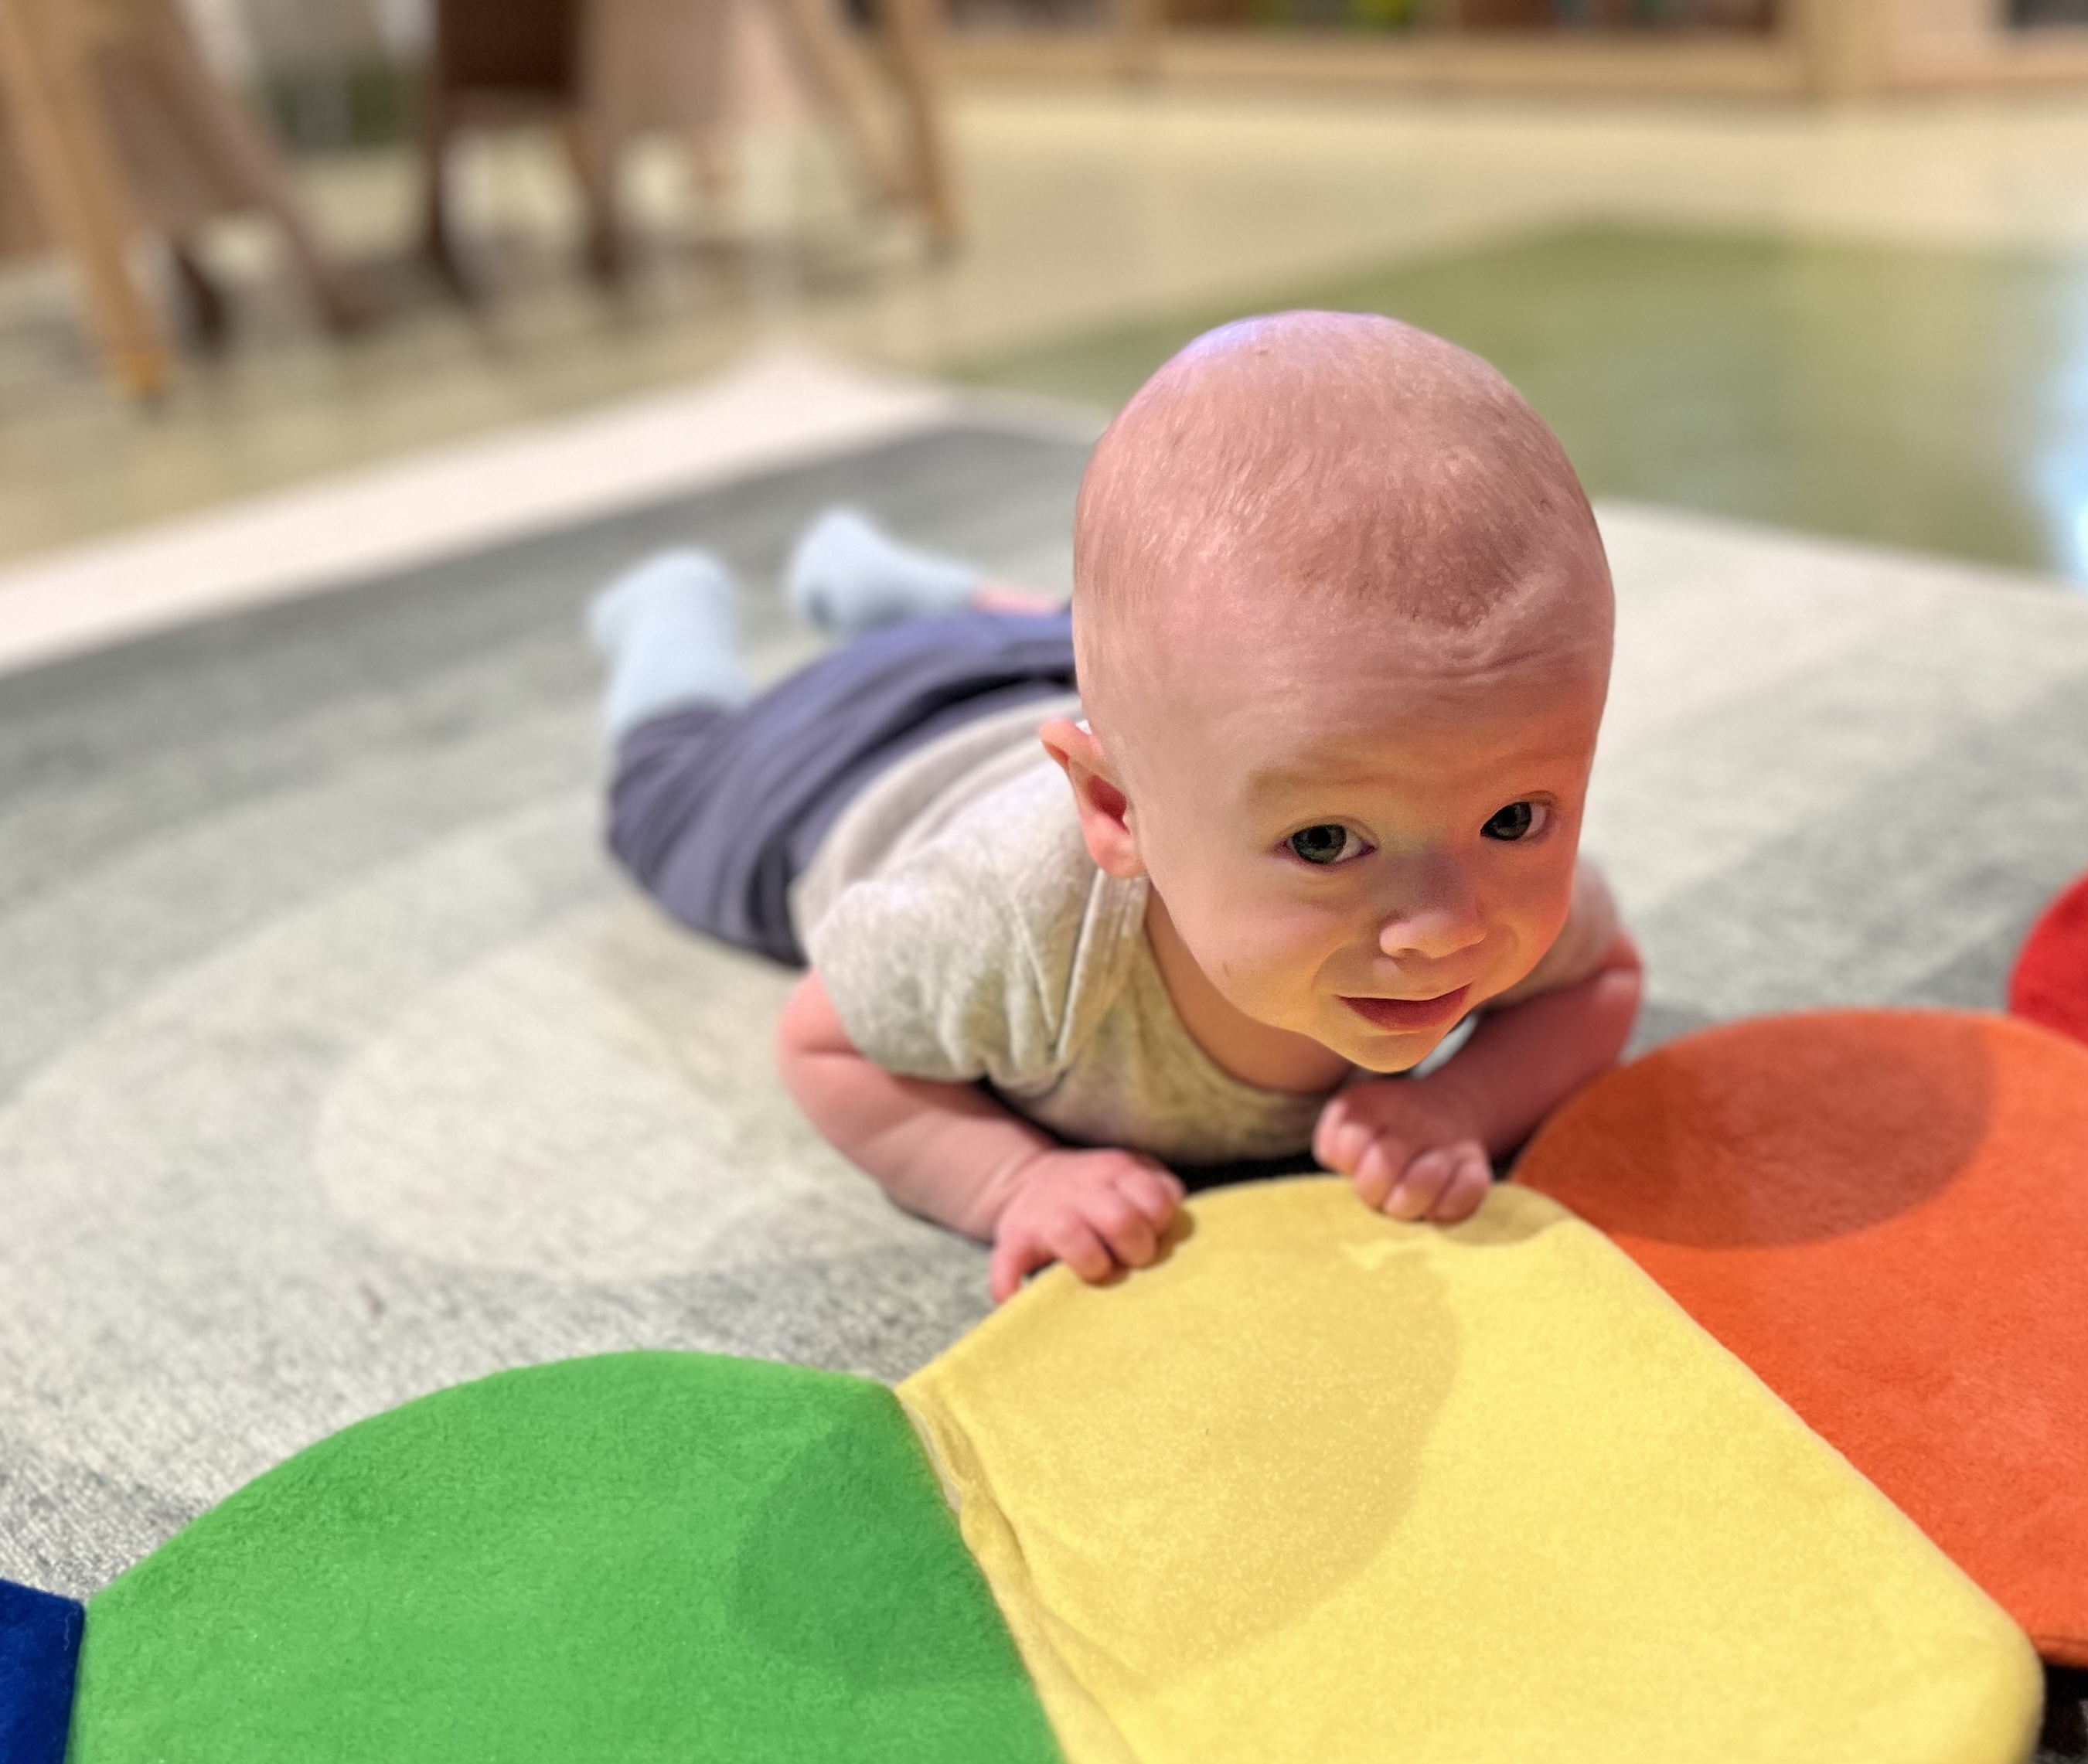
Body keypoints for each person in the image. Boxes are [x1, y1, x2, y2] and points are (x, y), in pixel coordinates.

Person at [589, 312, 1642, 1298]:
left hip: (1071, 681)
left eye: (1516, 819)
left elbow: (1604, 980)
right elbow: (825, 1041)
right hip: (842, 759)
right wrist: (1012, 1182)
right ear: (1113, 813)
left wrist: (1459, 1099)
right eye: (1325, 841)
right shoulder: (1013, 924)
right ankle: (671, 620)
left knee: (1135, 646)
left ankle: (913, 589)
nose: (1448, 925)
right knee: (664, 795)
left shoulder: (1402, 774)